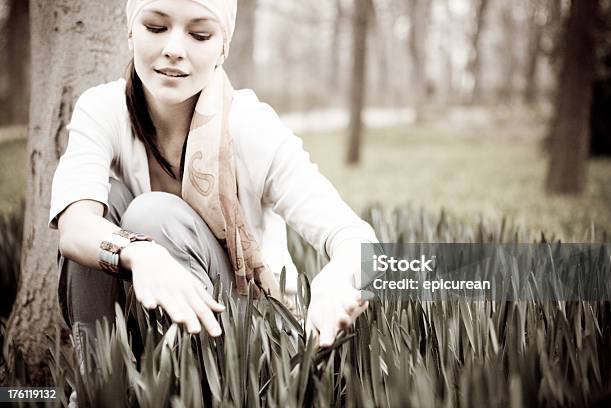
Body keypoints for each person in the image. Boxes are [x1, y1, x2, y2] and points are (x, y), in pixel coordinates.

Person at [49, 0, 379, 366]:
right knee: (105, 205)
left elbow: (356, 239)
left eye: (199, 34)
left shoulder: (250, 125)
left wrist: (338, 279)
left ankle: (196, 385)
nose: (174, 49)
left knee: (152, 214)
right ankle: (99, 382)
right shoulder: (102, 108)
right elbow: (75, 227)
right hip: (140, 314)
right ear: (130, 32)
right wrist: (140, 252)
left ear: (223, 45)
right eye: (156, 28)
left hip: (248, 335)